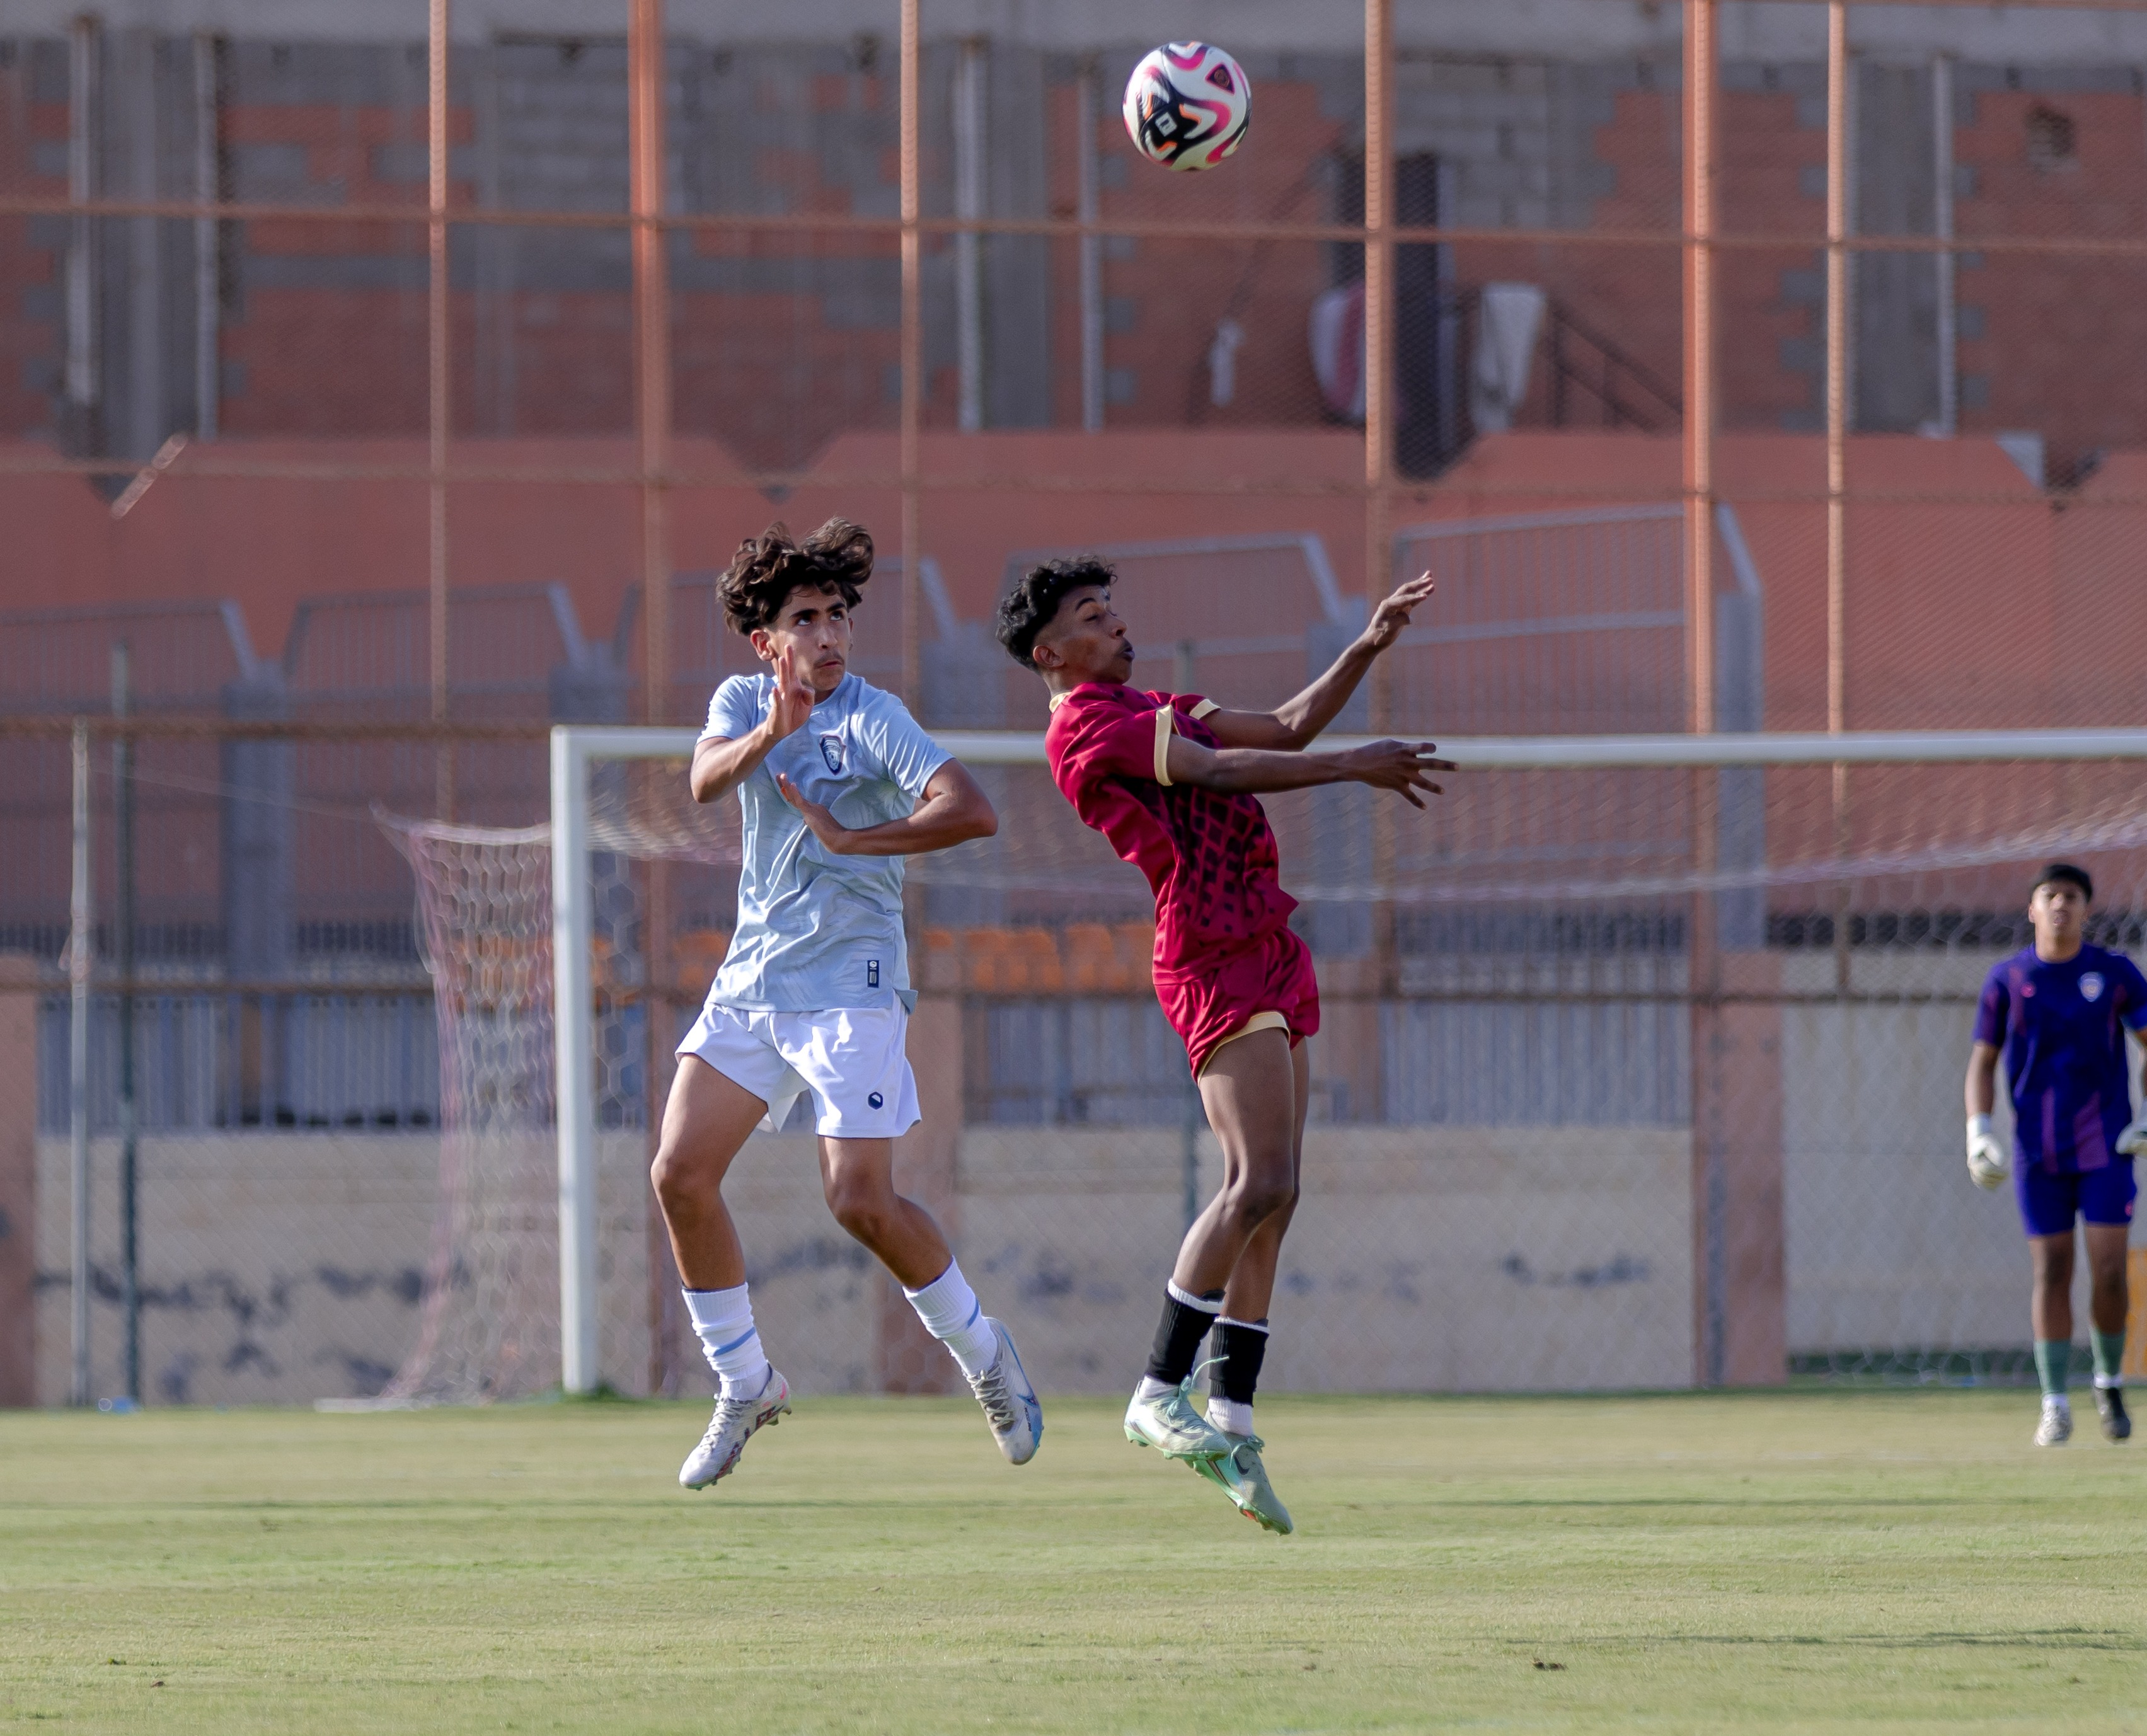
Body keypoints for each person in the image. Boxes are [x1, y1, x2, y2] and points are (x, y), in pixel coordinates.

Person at [993, 557, 1446, 1532]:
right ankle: (1156, 1388)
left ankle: (1231, 1411)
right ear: (1050, 652)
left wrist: (1365, 645)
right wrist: (1352, 766)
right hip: (1208, 951)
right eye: (1092, 615)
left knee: (1279, 1193)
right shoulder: (1087, 725)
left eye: (1114, 607)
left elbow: (1280, 729)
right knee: (1253, 1181)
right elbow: (1223, 769)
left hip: (1265, 940)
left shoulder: (1152, 701)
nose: (1116, 624)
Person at [655, 517, 1042, 1490]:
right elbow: (703, 781)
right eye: (805, 619)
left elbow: (970, 807)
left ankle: (984, 1352)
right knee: (678, 1172)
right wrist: (765, 739)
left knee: (856, 1199)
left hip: (852, 985)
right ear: (766, 642)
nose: (828, 634)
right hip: (755, 978)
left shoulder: (875, 716)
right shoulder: (744, 700)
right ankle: (745, 1380)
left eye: (837, 616)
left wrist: (855, 841)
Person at [1966, 861, 2147, 1446]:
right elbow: (1982, 1061)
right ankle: (2053, 1401)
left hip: (2105, 1146)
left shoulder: (2113, 974)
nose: (2060, 905)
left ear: (2086, 909)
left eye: (2071, 896)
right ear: (2031, 908)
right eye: (2050, 896)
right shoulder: (2006, 979)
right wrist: (1979, 1129)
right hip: (2036, 1152)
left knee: (2110, 1270)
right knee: (2051, 1269)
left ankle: (2108, 1379)